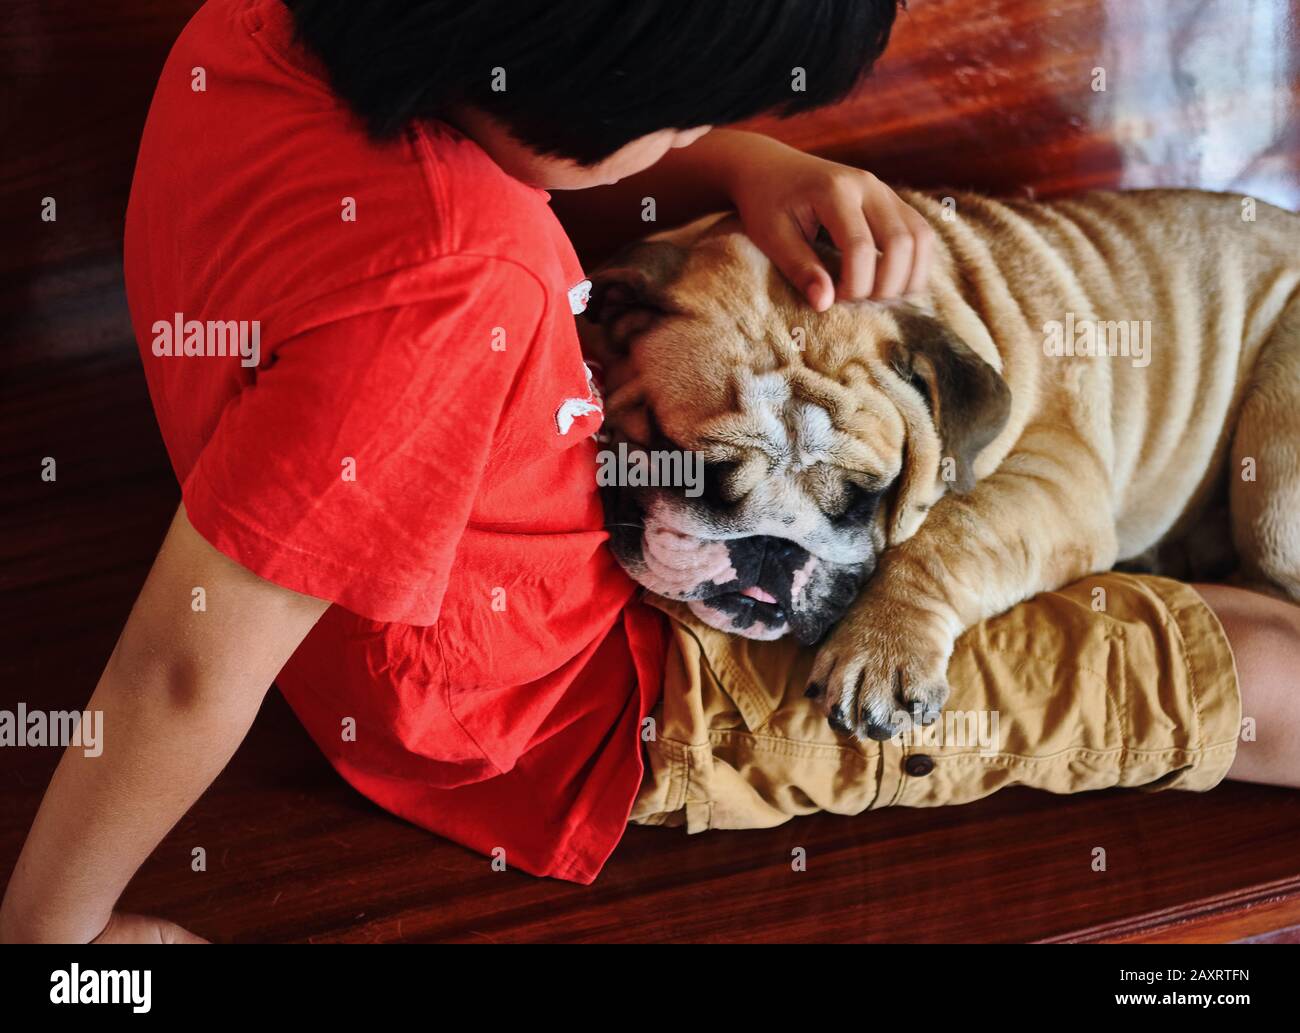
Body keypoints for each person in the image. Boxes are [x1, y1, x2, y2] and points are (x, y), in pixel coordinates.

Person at [2, 0, 1295, 944]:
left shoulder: (257, 29)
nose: (686, 138)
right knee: (1192, 679)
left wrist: (747, 163)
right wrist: (58, 940)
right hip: (601, 705)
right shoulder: (454, 292)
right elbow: (184, 664)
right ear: (580, 87)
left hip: (419, 631)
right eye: (679, 117)